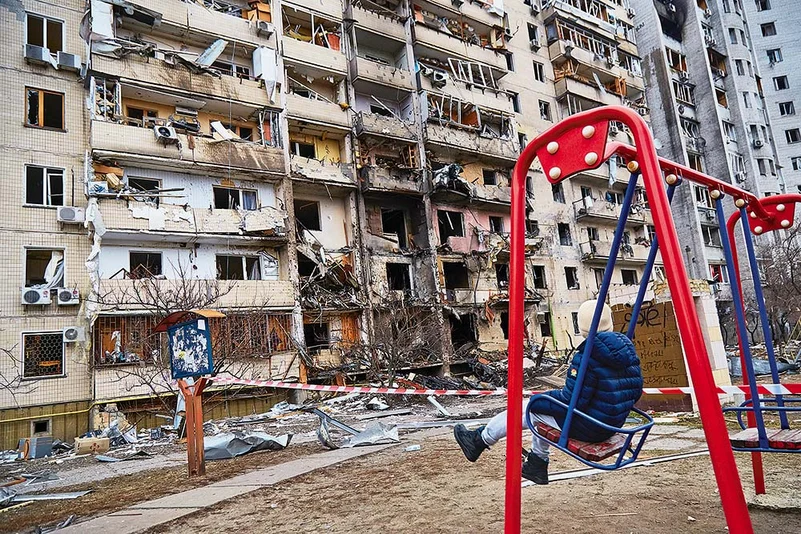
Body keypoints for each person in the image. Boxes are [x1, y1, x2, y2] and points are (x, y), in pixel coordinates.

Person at [453, 300, 643, 484]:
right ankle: (536, 463)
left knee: (530, 409)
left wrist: (542, 398)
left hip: (591, 428)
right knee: (540, 412)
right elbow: (635, 391)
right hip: (611, 424)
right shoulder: (627, 352)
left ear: (581, 325)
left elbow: (572, 402)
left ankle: (480, 440)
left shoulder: (587, 357)